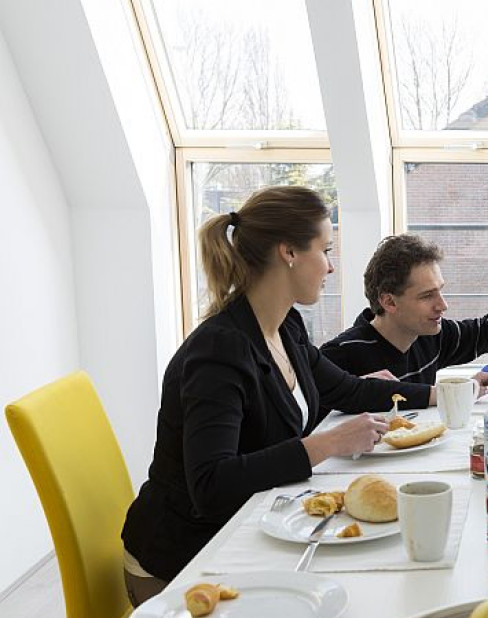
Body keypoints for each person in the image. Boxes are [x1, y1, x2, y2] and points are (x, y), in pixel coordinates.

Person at [121, 187, 420, 604]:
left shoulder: (286, 326)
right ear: (289, 253)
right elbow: (211, 484)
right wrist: (325, 444)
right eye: (325, 250)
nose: (331, 267)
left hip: (240, 530)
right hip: (185, 565)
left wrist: (445, 393)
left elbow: (347, 388)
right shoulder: (219, 351)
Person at [320, 234, 488, 398]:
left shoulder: (429, 335)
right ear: (389, 302)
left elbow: (486, 329)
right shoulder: (338, 357)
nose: (443, 305)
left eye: (440, 291)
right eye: (427, 295)